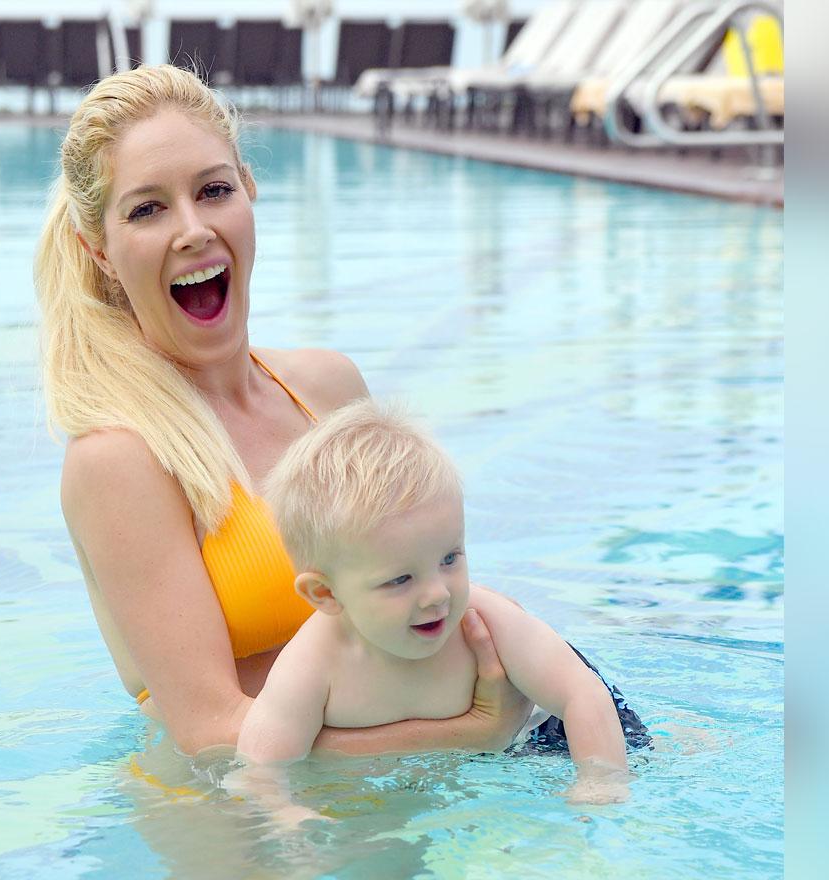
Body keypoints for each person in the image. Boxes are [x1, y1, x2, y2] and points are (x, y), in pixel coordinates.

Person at [34, 64, 532, 758]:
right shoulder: (119, 460)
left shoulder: (328, 389)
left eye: (214, 191)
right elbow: (210, 735)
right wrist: (472, 731)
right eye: (147, 209)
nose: (192, 230)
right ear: (101, 251)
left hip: (410, 800)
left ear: (249, 190)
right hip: (244, 834)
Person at [234, 400, 650, 810]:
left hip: (545, 732)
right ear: (326, 594)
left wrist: (600, 784)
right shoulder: (313, 666)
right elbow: (259, 770)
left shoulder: (484, 621)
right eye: (400, 579)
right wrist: (288, 823)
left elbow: (581, 693)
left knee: (644, 761)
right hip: (451, 769)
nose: (438, 594)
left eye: (450, 559)